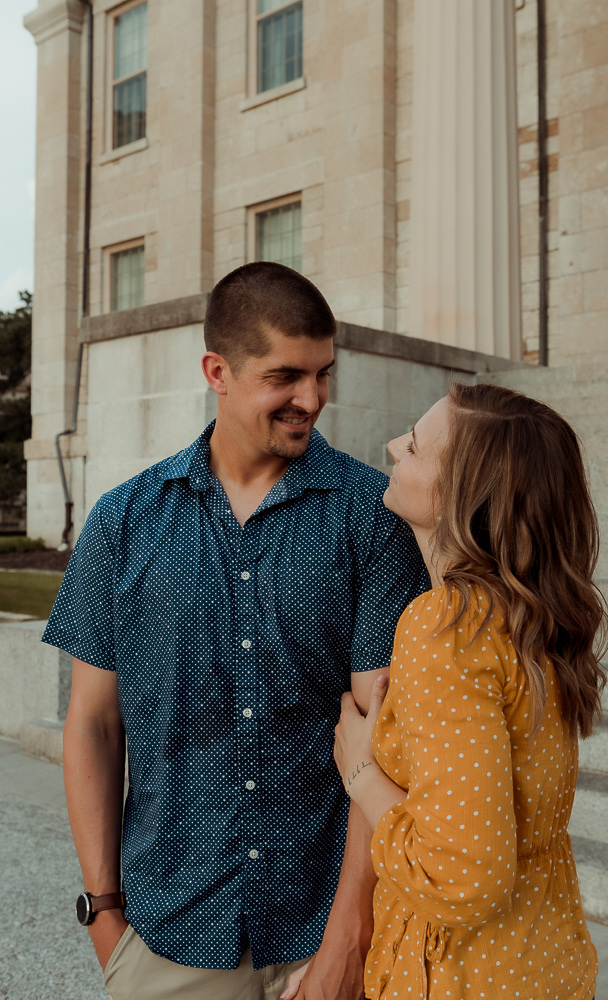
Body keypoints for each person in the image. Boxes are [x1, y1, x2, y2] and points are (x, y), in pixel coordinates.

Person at [50, 262, 429, 1000]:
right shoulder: (122, 523)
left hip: (325, 937)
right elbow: (92, 725)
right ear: (216, 371)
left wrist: (348, 943)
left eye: (324, 373)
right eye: (286, 376)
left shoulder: (370, 518)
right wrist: (103, 916)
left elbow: (383, 739)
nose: (312, 398)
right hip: (167, 939)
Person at [288, 383, 606, 999]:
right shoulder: (528, 619)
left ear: (460, 493)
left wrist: (361, 772)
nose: (389, 446)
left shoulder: (445, 629)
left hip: (462, 977)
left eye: (411, 447)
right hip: (542, 962)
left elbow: (462, 877)